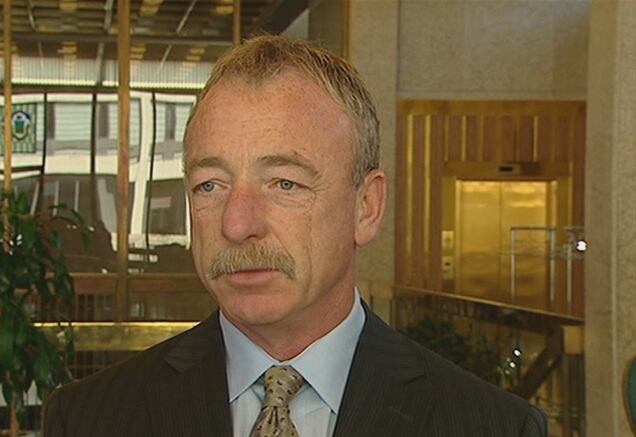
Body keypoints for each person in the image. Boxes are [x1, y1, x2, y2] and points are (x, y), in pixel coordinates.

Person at [42, 35, 547, 437]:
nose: (236, 224)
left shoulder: (492, 425)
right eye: (210, 185)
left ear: (366, 207)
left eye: (285, 183)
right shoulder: (88, 417)